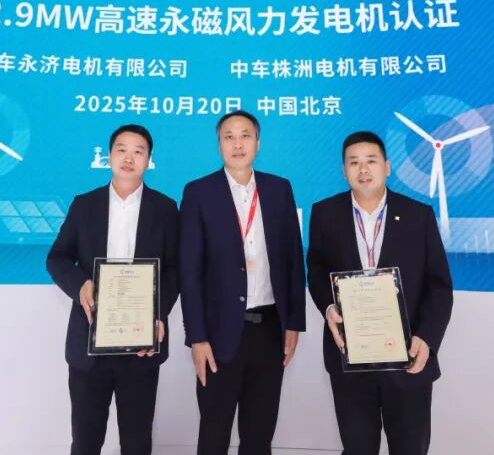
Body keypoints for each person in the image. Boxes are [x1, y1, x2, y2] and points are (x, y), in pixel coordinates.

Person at [306, 131, 453, 455]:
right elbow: (316, 270)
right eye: (354, 162)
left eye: (370, 161)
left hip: (408, 359)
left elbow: (439, 286)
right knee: (357, 448)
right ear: (344, 170)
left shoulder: (418, 215)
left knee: (410, 448)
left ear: (387, 166)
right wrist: (329, 307)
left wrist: (426, 338)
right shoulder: (325, 213)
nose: (363, 169)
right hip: (351, 358)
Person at [47, 124, 180, 455]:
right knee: (86, 442)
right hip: (89, 344)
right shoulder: (84, 205)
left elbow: (175, 269)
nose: (129, 158)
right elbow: (57, 258)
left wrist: (157, 313)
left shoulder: (165, 208)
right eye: (122, 150)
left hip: (141, 344)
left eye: (138, 151)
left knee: (137, 443)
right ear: (109, 156)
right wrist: (81, 284)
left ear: (149, 160)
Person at [179, 110, 306, 455]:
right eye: (229, 137)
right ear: (219, 144)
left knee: (259, 434)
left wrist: (293, 323)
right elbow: (189, 271)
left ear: (258, 143)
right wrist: (197, 337)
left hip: (269, 329)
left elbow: (293, 260)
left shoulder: (279, 189)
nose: (237, 144)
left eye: (245, 136)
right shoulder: (199, 192)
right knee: (214, 431)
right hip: (218, 333)